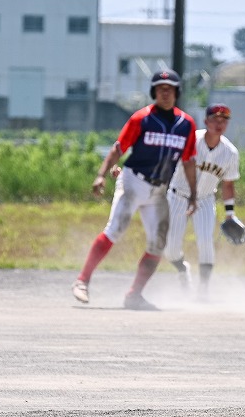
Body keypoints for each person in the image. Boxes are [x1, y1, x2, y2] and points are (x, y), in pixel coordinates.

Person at [72, 69, 198, 310]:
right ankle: (82, 281)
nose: (165, 92)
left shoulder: (186, 124)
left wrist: (193, 194)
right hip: (133, 182)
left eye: (169, 89)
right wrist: (101, 175)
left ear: (177, 92)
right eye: (160, 88)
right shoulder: (142, 118)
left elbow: (189, 161)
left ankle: (134, 295)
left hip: (159, 191)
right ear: (153, 92)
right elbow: (118, 148)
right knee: (115, 229)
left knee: (158, 244)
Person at [164, 103, 241, 297]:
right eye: (215, 119)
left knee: (206, 241)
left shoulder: (230, 152)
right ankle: (182, 270)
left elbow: (228, 184)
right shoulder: (191, 140)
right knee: (170, 249)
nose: (219, 124)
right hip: (178, 196)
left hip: (205, 199)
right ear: (206, 121)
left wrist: (230, 214)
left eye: (224, 120)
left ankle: (203, 289)